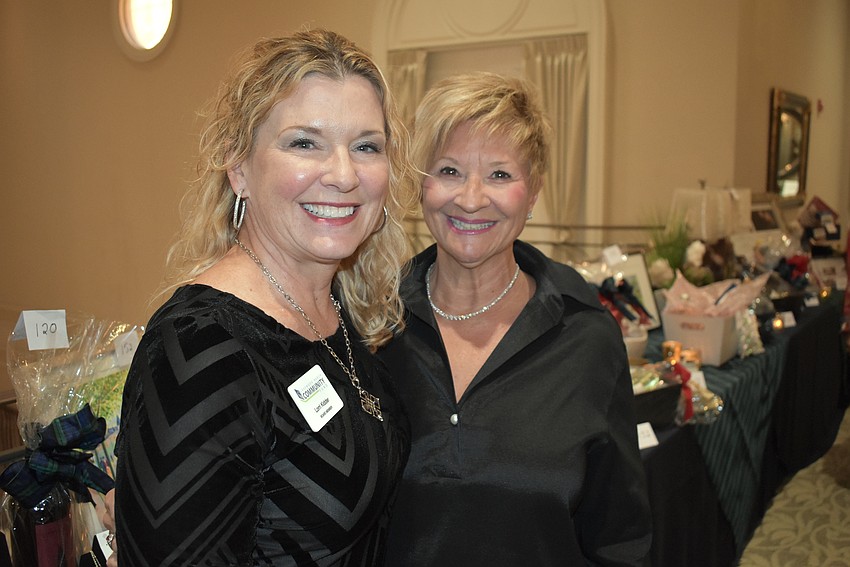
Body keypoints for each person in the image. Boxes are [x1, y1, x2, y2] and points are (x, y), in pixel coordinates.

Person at [111, 29, 416, 566]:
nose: (344, 175)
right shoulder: (201, 351)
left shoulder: (335, 310)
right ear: (239, 168)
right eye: (305, 143)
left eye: (366, 146)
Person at [379, 72, 652, 566]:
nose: (470, 199)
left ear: (534, 192)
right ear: (421, 185)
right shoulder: (372, 325)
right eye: (449, 170)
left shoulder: (586, 335)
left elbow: (619, 536)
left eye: (500, 175)